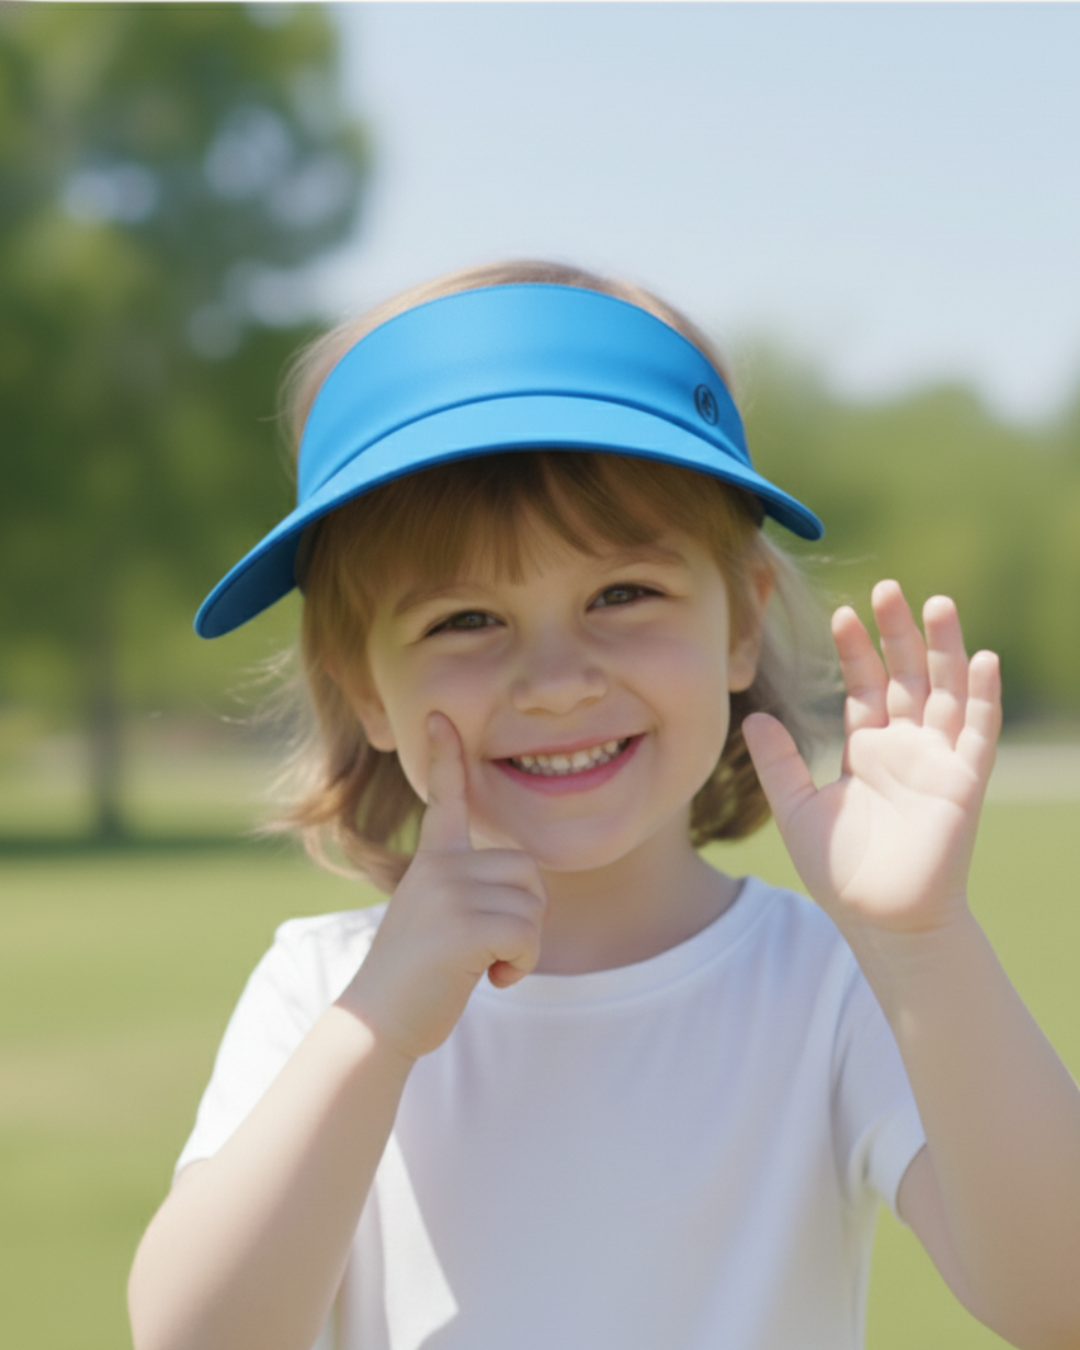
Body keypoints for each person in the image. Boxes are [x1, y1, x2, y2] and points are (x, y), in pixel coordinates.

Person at [128, 262, 1080, 1350]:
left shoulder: (826, 984)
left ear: (738, 623)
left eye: (623, 595)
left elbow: (1060, 1302)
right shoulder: (327, 991)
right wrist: (378, 1029)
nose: (558, 678)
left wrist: (921, 945)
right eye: (465, 620)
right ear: (361, 683)